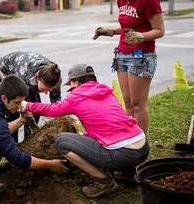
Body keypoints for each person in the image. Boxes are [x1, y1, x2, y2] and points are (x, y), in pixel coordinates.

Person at [20, 64, 150, 198]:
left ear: (76, 82)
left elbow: (52, 110)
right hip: (143, 148)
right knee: (110, 139)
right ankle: (127, 173)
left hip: (123, 154)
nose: (70, 87)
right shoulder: (106, 92)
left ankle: (105, 182)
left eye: (71, 83)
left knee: (62, 141)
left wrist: (27, 105)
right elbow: (105, 125)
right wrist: (84, 137)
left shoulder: (76, 97)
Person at [92, 0, 165, 133]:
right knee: (128, 102)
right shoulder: (122, 0)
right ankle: (132, 140)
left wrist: (140, 36)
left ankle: (142, 144)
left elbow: (159, 30)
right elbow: (128, 26)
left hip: (142, 57)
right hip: (123, 55)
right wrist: (110, 31)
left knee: (139, 105)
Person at [0, 51, 62, 141]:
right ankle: (12, 142)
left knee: (35, 110)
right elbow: (21, 100)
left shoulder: (55, 78)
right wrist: (25, 110)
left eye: (49, 90)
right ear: (37, 77)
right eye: (43, 89)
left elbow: (57, 101)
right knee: (13, 111)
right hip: (2, 72)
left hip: (29, 80)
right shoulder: (25, 72)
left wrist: (59, 116)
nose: (46, 93)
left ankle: (30, 140)